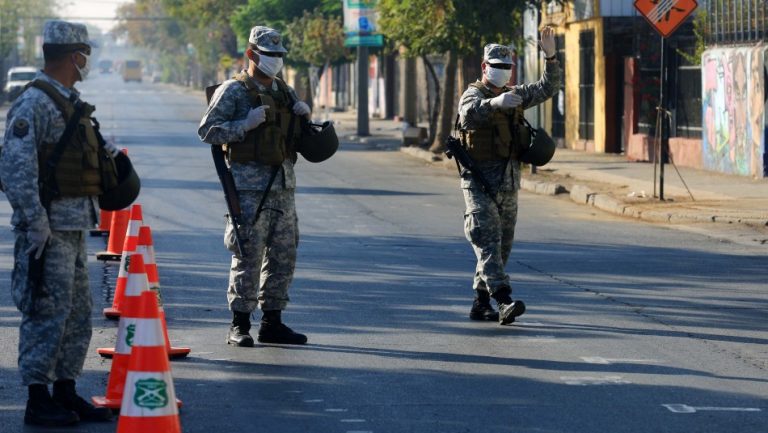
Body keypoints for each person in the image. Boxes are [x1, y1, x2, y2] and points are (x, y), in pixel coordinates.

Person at [0, 20, 117, 426]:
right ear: (73, 56)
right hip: (46, 232)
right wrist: (35, 222)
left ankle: (65, 390)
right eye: (84, 54)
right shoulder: (34, 103)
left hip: (73, 227)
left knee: (77, 313)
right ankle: (38, 398)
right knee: (46, 313)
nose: (86, 61)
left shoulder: (69, 101)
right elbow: (15, 169)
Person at [198, 25, 310, 347]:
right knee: (247, 255)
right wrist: (243, 125)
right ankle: (240, 324)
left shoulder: (284, 91)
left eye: (279, 54)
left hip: (283, 187)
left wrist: (304, 115)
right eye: (270, 54)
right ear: (251, 54)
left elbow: (299, 137)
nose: (276, 60)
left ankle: (273, 322)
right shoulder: (233, 91)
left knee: (283, 256)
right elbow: (207, 131)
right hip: (249, 191)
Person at [456, 26, 561, 325]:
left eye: (507, 67)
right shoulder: (473, 94)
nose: (503, 72)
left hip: (508, 182)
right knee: (487, 241)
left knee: (501, 248)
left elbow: (547, 88)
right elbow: (468, 113)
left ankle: (480, 303)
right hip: (479, 183)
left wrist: (551, 58)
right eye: (497, 66)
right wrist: (493, 103)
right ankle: (503, 300)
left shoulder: (514, 96)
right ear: (484, 66)